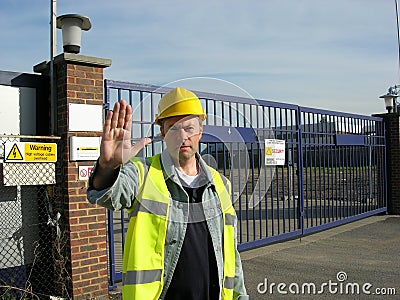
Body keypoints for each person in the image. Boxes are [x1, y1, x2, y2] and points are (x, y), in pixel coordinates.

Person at [87, 87, 248, 300]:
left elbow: (231, 253)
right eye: (173, 128)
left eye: (189, 127)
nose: (183, 136)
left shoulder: (220, 185)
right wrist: (108, 167)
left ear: (200, 131)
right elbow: (110, 194)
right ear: (163, 133)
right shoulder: (142, 173)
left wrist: (240, 295)